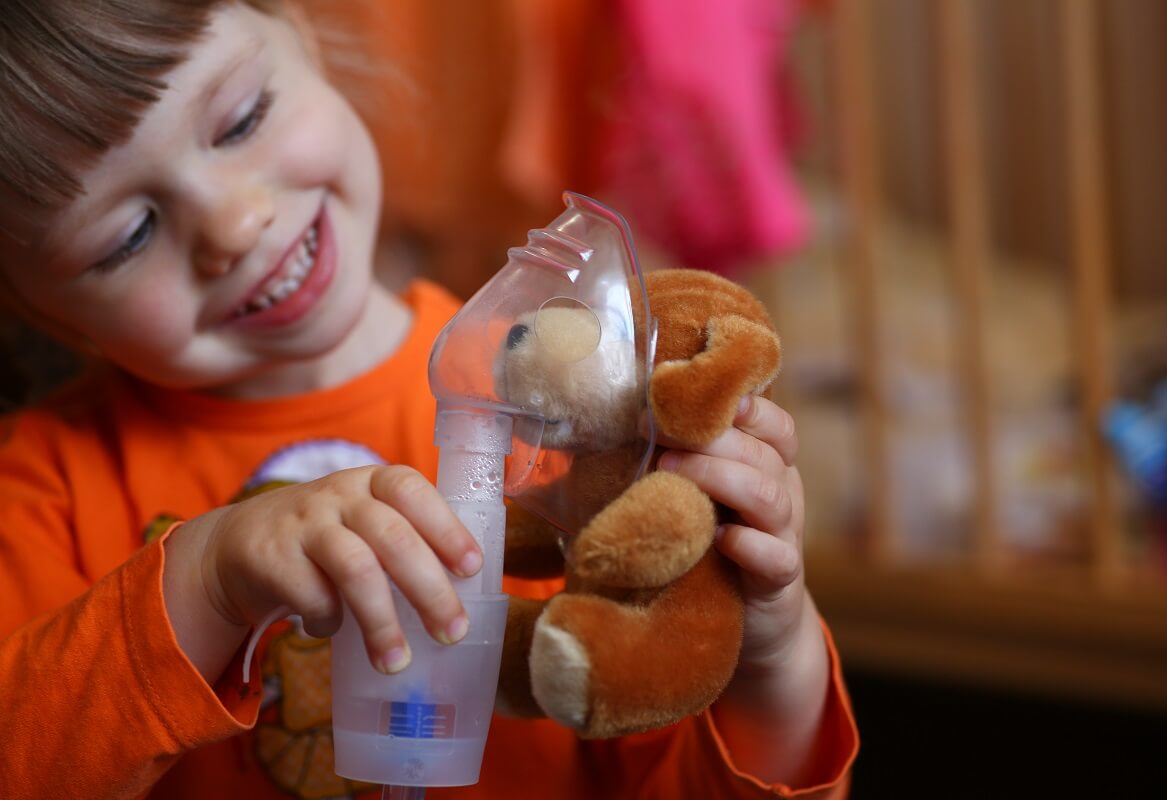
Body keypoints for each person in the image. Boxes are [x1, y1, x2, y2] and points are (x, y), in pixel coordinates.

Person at [0, 1, 858, 798]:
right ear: (40, 308)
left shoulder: (564, 423)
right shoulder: (46, 489)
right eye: (128, 236)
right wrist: (204, 585)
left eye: (241, 119)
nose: (233, 225)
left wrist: (766, 665)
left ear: (303, 33)